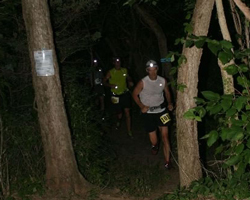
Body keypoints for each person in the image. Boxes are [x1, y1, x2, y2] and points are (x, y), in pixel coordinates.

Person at [132, 60, 174, 169]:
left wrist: (169, 103)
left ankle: (167, 161)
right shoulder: (143, 82)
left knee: (165, 137)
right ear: (147, 70)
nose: (153, 72)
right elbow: (134, 94)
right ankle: (154, 145)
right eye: (150, 70)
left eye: (154, 69)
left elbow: (167, 93)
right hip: (148, 113)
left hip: (162, 110)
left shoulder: (162, 80)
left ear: (157, 69)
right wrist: (141, 106)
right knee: (154, 138)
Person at [103, 57, 133, 136]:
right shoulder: (111, 72)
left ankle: (129, 131)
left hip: (125, 94)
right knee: (119, 113)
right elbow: (104, 82)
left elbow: (128, 77)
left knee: (127, 112)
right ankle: (118, 121)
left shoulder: (124, 70)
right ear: (113, 63)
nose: (118, 63)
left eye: (119, 61)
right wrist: (110, 85)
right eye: (116, 62)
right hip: (115, 95)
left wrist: (130, 81)